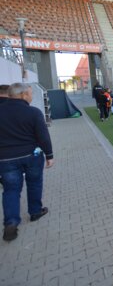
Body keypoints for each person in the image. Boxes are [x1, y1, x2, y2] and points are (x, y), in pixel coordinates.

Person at [0, 83, 54, 241]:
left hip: (6, 159)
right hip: (32, 156)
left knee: (11, 190)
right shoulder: (33, 112)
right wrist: (49, 155)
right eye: (30, 94)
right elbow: (43, 136)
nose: (31, 97)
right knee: (35, 183)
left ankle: (11, 222)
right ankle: (35, 212)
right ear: (23, 95)